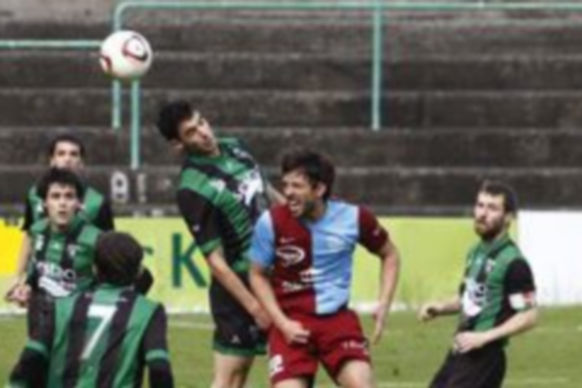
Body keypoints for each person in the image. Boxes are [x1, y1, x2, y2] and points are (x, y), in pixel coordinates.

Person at [156, 100, 284, 388]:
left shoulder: (235, 146)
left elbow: (266, 189)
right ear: (178, 145)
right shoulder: (192, 188)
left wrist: (295, 214)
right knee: (232, 377)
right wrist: (254, 308)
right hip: (239, 289)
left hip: (275, 274)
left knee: (289, 366)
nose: (203, 132)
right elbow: (215, 262)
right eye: (191, 132)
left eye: (201, 122)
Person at [248, 149, 401, 388]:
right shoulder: (270, 223)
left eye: (297, 186)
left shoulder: (354, 218)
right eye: (285, 185)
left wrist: (384, 303)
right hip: (291, 323)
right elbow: (256, 274)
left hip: (337, 322)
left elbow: (390, 254)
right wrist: (281, 323)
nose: (287, 193)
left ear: (319, 190)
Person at [7, 231, 174, 388]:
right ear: (138, 272)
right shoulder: (149, 311)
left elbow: (32, 358)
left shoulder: (61, 307)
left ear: (94, 268)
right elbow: (159, 368)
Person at [419, 181, 538, 388]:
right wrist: (440, 307)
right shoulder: (476, 252)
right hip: (461, 352)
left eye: (492, 208)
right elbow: (470, 298)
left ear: (508, 217)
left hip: (485, 359)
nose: (482, 213)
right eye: (480, 205)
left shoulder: (513, 262)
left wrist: (484, 337)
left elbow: (529, 315)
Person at [6, 134, 115, 303]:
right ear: (52, 160)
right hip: (44, 282)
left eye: (73, 154)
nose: (67, 159)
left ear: (82, 162)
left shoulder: (98, 202)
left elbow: (109, 250)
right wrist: (18, 277)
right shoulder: (35, 195)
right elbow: (29, 235)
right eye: (61, 153)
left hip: (79, 290)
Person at [8, 168, 103, 336]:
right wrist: (24, 289)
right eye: (55, 196)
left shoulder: (96, 239)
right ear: (44, 203)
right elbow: (37, 272)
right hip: (40, 322)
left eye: (69, 196)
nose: (62, 203)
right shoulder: (37, 231)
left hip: (79, 329)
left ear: (78, 203)